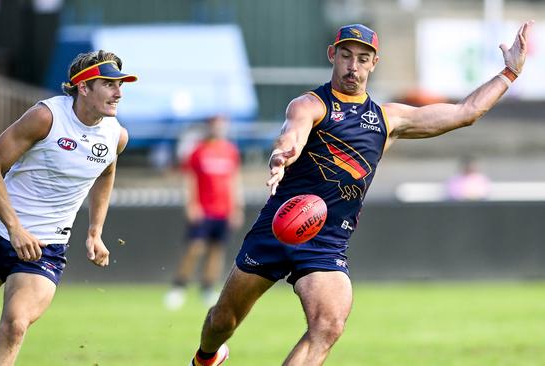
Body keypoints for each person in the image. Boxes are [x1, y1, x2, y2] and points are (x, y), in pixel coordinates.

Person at [189, 20, 533, 366]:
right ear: (332, 55)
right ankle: (206, 358)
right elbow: (293, 133)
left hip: (325, 243)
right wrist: (283, 153)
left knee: (329, 325)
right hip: (278, 228)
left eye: (363, 58)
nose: (353, 66)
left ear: (374, 63)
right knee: (223, 321)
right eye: (346, 55)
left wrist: (509, 73)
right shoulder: (311, 104)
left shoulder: (387, 119)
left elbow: (465, 113)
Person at [0, 50, 137, 365]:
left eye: (120, 85)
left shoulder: (116, 135)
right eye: (109, 84)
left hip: (48, 246)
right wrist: (15, 228)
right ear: (83, 87)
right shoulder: (46, 117)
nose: (118, 93)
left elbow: (106, 172)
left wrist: (95, 232)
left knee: (14, 327)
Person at [164, 116, 244, 310]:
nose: (219, 129)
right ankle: (179, 286)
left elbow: (234, 180)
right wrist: (191, 204)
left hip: (224, 210)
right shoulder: (198, 151)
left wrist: (237, 207)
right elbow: (189, 179)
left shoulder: (230, 151)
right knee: (195, 248)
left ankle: (208, 288)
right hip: (204, 208)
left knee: (217, 250)